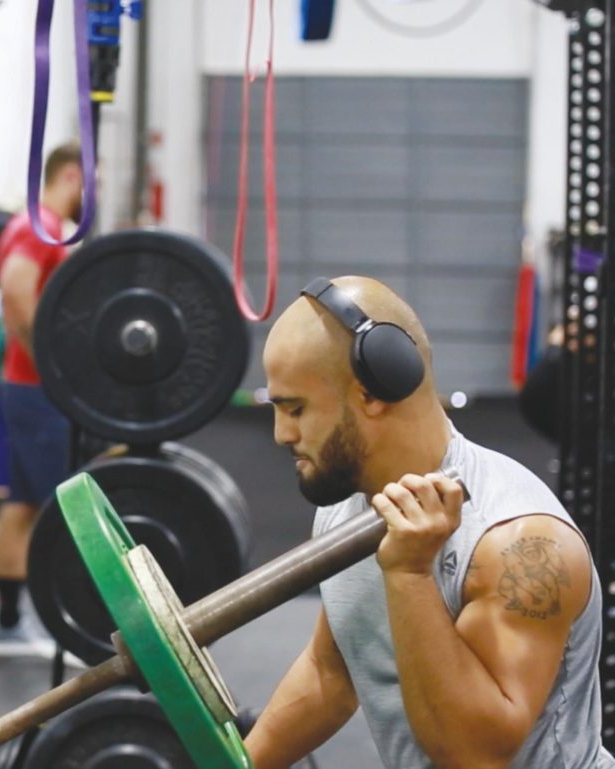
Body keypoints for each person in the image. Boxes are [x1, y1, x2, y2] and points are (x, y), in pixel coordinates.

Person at [245, 276, 614, 769]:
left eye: (296, 409)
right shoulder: (346, 507)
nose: (280, 433)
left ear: (372, 392)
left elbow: (473, 755)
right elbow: (330, 675)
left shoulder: (520, 541)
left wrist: (409, 574)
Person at [0, 142, 84, 656]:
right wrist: (51, 364)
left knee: (24, 503)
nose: (93, 190)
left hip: (24, 386)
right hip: (36, 387)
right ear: (71, 174)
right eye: (91, 178)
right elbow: (16, 292)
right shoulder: (39, 227)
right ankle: (57, 625)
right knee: (57, 511)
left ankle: (6, 624)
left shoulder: (33, 224)